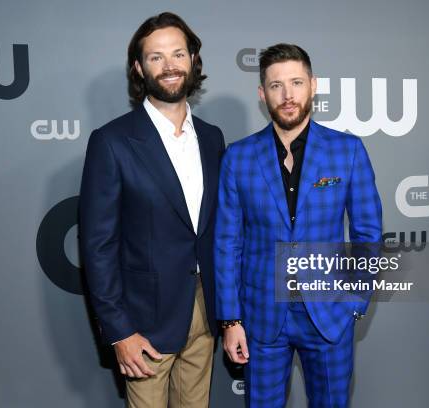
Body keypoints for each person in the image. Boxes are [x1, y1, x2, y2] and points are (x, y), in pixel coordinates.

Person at [215, 43, 382, 407]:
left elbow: (368, 235)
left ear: (313, 85)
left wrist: (354, 302)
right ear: (262, 94)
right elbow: (228, 243)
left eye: (296, 82)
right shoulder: (238, 157)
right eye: (276, 85)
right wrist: (231, 321)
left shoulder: (347, 150)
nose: (287, 95)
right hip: (261, 318)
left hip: (328, 315)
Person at [79, 12, 225, 407]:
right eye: (156, 57)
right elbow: (98, 246)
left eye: (178, 54)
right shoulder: (112, 142)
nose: (170, 65)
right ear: (138, 68)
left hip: (205, 315)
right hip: (143, 325)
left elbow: (215, 231)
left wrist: (227, 313)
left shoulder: (212, 139)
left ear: (194, 60)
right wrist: (120, 331)